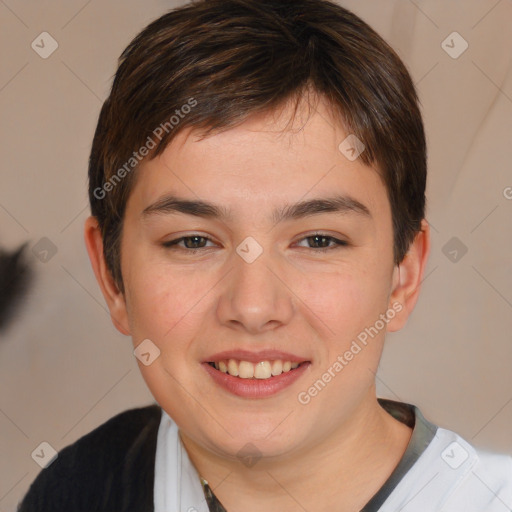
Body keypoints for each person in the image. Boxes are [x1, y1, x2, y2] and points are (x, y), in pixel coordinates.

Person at [17, 0, 512, 510]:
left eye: (319, 240)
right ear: (112, 275)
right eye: (193, 241)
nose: (253, 308)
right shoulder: (79, 488)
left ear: (403, 275)